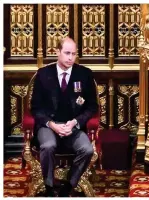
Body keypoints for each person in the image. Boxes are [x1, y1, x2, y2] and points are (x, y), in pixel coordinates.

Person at [31, 37, 98, 197]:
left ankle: (68, 185)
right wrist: (52, 125)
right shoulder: (43, 74)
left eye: (73, 54)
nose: (70, 58)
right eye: (67, 53)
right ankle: (49, 186)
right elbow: (35, 108)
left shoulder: (84, 74)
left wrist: (75, 122)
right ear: (57, 53)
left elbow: (92, 107)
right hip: (49, 126)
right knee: (48, 146)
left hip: (73, 127)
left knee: (87, 150)